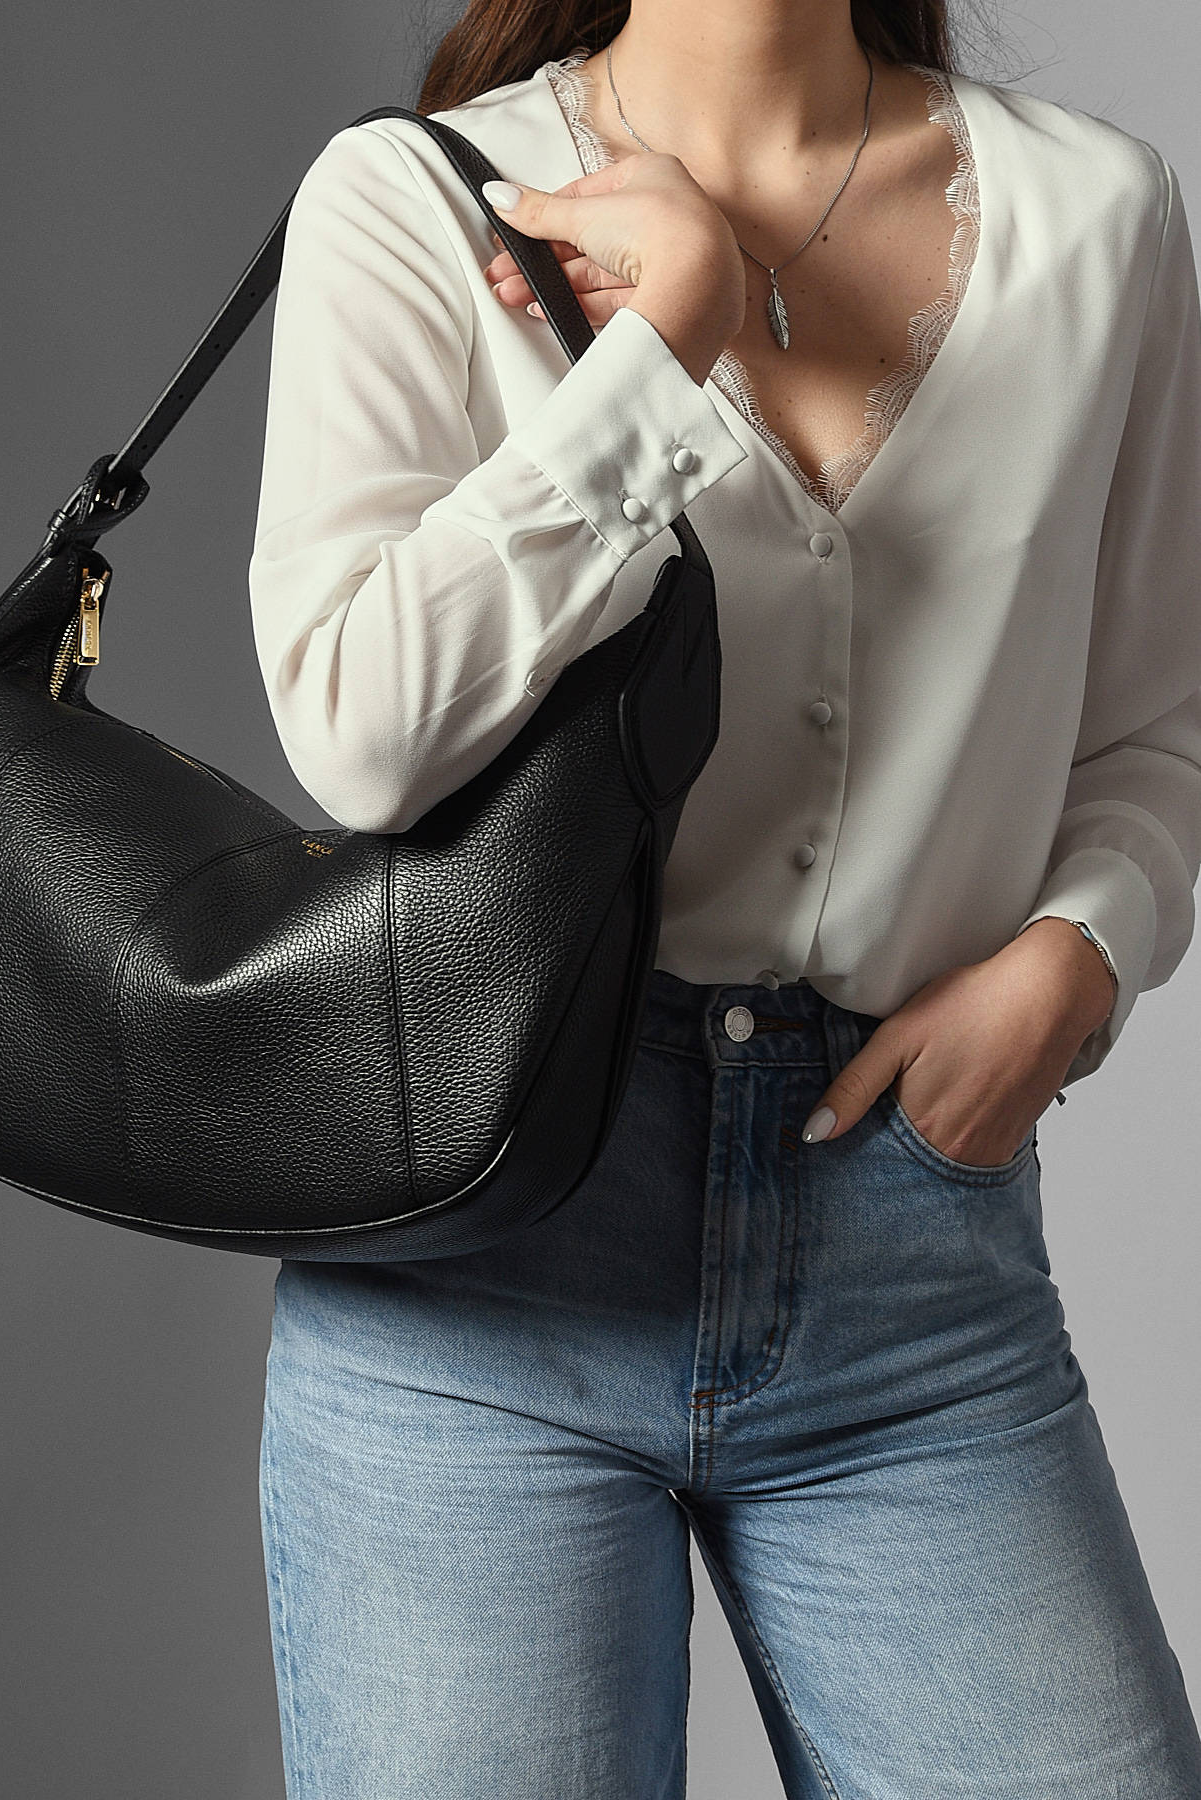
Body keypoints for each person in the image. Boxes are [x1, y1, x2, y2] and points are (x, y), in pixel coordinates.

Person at [247, 1, 1201, 1793]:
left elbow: (1157, 720)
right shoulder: (415, 201)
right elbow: (363, 733)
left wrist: (1082, 948)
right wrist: (657, 349)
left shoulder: (1098, 216)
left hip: (910, 1259)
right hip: (478, 1269)